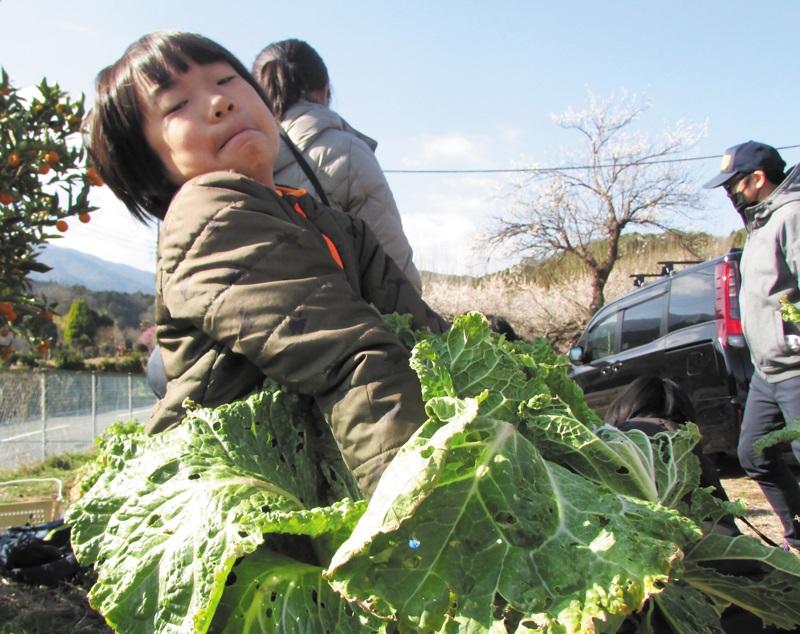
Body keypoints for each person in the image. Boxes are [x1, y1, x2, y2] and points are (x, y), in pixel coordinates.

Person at [85, 30, 449, 499]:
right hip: (237, 506)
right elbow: (346, 356)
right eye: (176, 105)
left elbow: (420, 337)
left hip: (323, 474)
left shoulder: (331, 223)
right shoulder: (208, 215)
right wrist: (419, 518)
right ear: (152, 167)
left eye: (227, 79)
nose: (219, 101)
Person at [251, 39, 423, 294]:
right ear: (325, 91)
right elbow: (393, 267)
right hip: (346, 323)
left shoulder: (236, 159)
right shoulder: (347, 151)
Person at [703, 140, 800, 550]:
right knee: (754, 456)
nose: (730, 195)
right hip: (767, 372)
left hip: (795, 368)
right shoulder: (759, 225)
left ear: (757, 179)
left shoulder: (792, 216)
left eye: (733, 186)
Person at [604, 375, 739, 535]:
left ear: (622, 408)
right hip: (706, 544)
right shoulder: (687, 443)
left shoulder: (613, 439)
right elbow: (721, 517)